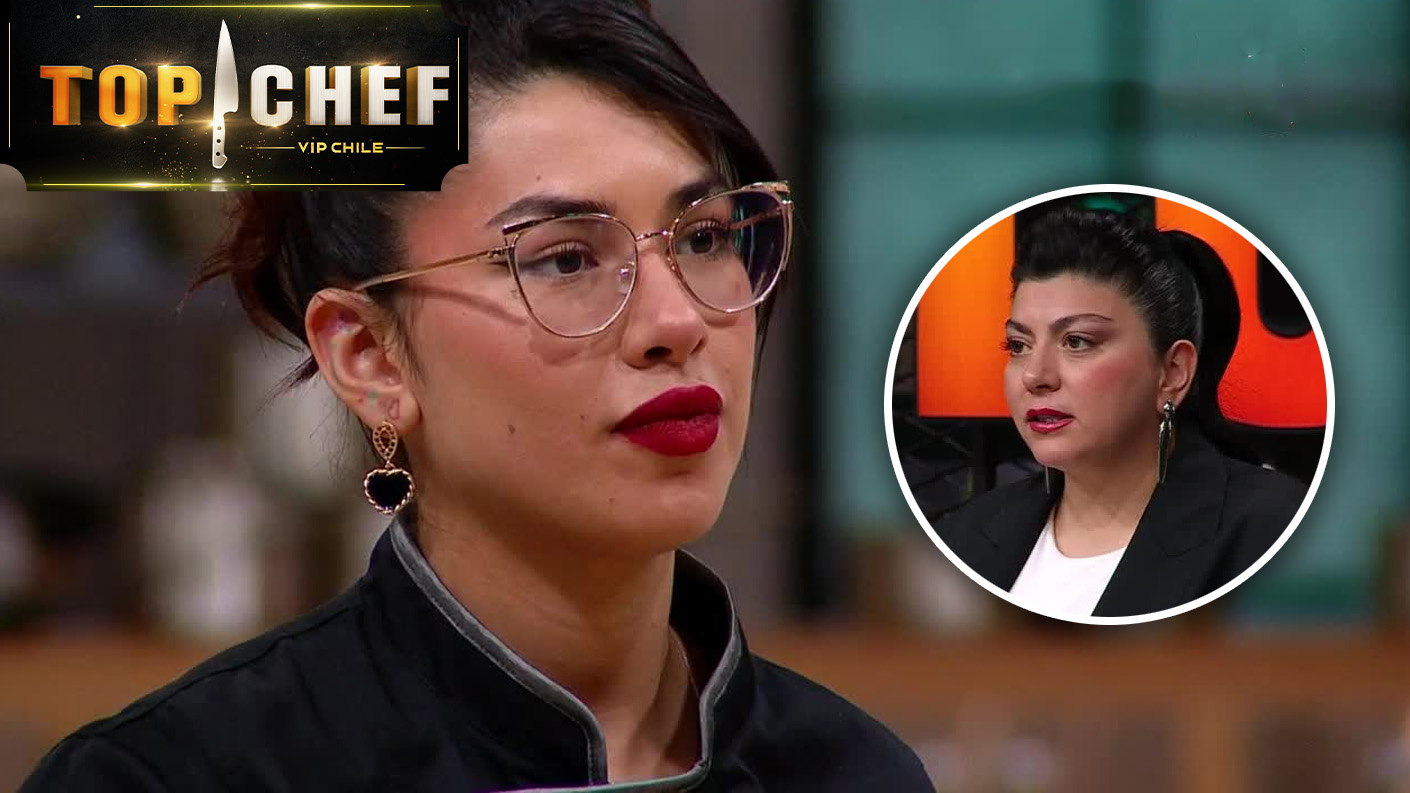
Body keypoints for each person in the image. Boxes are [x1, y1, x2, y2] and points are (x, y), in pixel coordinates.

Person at [21, 1, 932, 790]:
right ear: (370, 356)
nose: (677, 320)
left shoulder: (853, 771)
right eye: (565, 259)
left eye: (703, 238)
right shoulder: (172, 775)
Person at [938, 206, 1308, 619]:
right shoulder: (966, 536)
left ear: (1173, 372)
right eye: (1018, 346)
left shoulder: (1270, 528)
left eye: (1077, 341)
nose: (1035, 376)